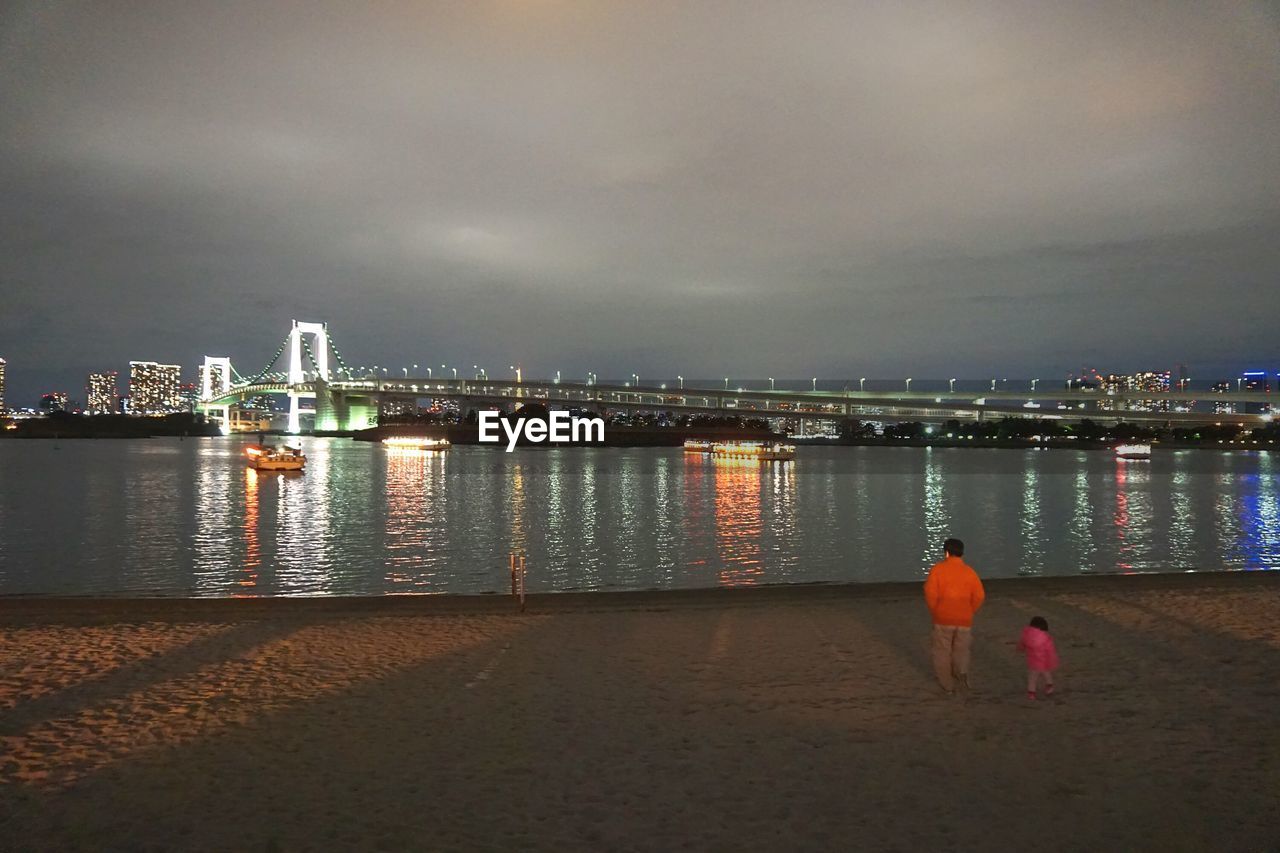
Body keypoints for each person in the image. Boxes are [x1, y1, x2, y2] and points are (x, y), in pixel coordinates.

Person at [923, 538, 986, 694]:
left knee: (942, 652)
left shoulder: (938, 570)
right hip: (964, 619)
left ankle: (947, 684)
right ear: (962, 553)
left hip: (943, 618)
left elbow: (930, 593)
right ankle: (961, 673)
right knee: (961, 650)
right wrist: (970, 610)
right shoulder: (969, 572)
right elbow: (979, 595)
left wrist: (935, 611)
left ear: (946, 552)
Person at [1017, 616, 1060, 700]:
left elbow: (1021, 643)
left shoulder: (1026, 634)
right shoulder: (1045, 637)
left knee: (1032, 678)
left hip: (1033, 661)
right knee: (1046, 672)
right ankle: (1049, 686)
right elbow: (1050, 650)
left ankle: (1031, 693)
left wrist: (1020, 649)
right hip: (1043, 660)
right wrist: (1052, 660)